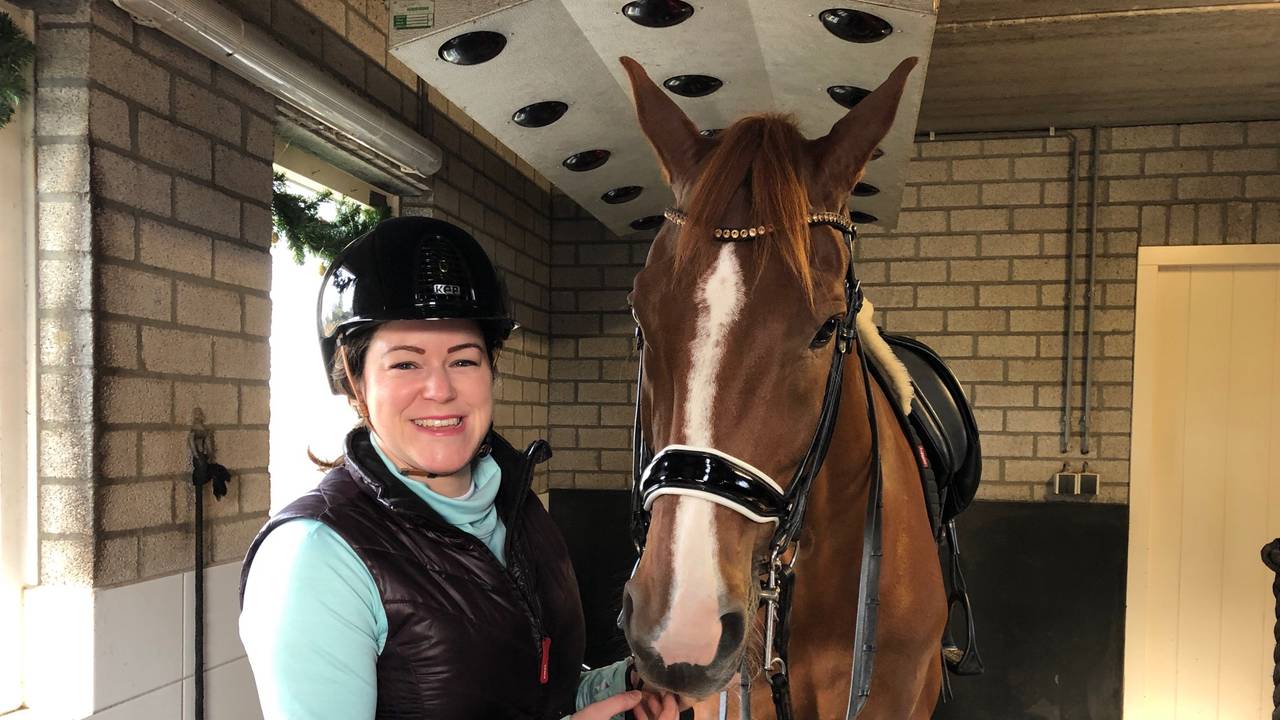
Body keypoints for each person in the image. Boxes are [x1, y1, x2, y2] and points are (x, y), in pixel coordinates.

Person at [239, 217, 677, 720]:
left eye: (464, 360)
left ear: (491, 371)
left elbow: (539, 691)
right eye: (405, 363)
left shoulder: (517, 508)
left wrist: (621, 686)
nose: (440, 389)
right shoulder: (316, 557)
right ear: (356, 382)